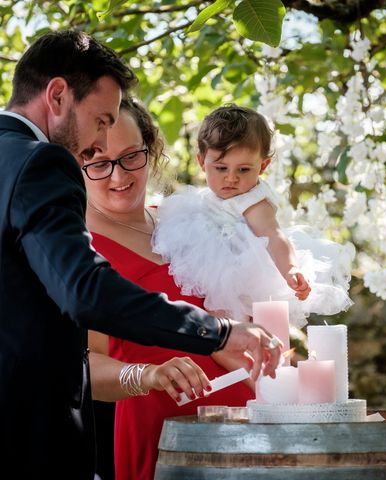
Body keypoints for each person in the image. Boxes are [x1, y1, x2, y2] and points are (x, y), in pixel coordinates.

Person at [0, 30, 281, 479]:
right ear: (56, 95)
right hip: (59, 432)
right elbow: (85, 292)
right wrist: (217, 335)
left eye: (130, 154)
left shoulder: (189, 219)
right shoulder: (40, 162)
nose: (97, 145)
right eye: (100, 121)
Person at [83, 97, 255, 480]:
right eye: (97, 163)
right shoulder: (75, 247)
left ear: (151, 149)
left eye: (131, 156)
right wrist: (147, 375)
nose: (118, 176)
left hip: (249, 424)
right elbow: (83, 367)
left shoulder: (187, 219)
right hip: (161, 433)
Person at [152, 104, 354, 327]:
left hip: (240, 269)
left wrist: (291, 269)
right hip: (211, 256)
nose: (231, 178)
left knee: (231, 317)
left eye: (244, 170)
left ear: (263, 165)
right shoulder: (205, 197)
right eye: (221, 168)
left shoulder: (253, 201)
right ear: (202, 162)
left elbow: (273, 235)